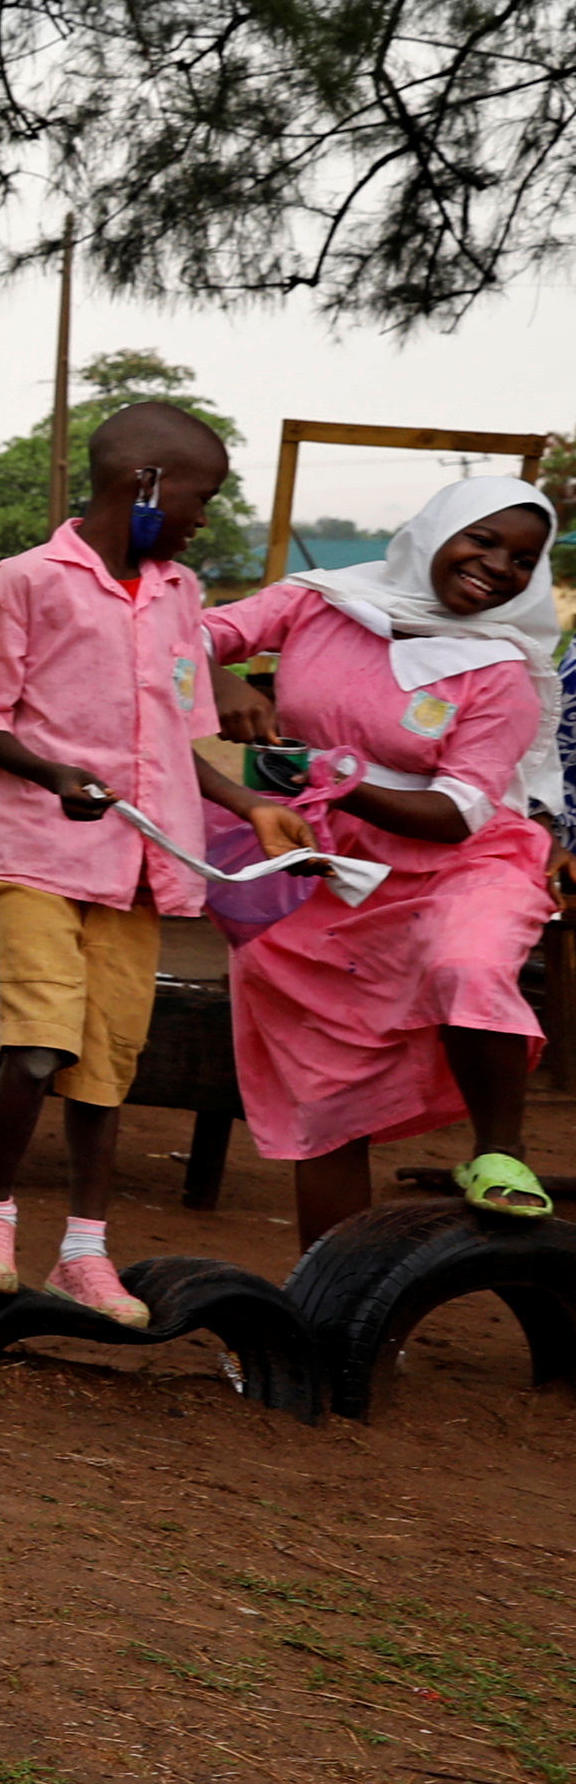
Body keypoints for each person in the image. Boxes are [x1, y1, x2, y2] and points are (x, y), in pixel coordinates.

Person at [0, 400, 306, 1312]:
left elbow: (176, 739)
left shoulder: (179, 595)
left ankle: (85, 1252)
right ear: (144, 484)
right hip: (38, 848)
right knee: (37, 1044)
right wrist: (53, 771)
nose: (205, 516)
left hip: (140, 864)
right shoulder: (26, 580)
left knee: (105, 1065)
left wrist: (253, 806)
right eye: (201, 495)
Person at [204, 471, 564, 1238]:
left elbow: (457, 813)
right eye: (484, 539)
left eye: (523, 559)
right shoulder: (321, 601)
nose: (500, 566)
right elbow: (180, 637)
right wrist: (218, 677)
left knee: (464, 963)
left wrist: (333, 779)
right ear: (435, 532)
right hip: (326, 866)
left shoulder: (500, 668)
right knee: (329, 1099)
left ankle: (498, 1151)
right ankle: (329, 1313)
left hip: (461, 861)